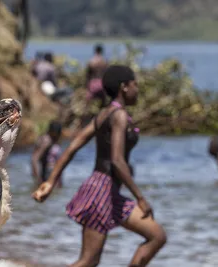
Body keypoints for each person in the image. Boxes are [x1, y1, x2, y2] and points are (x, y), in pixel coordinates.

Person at [33, 65, 166, 267]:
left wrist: (51, 182)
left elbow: (72, 148)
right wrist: (140, 198)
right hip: (101, 192)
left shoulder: (104, 114)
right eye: (135, 85)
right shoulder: (118, 115)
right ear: (124, 87)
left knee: (157, 236)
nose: (137, 90)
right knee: (89, 261)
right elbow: (117, 161)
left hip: (112, 194)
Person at [31, 121, 63, 187]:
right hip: (47, 173)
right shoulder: (47, 141)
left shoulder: (51, 140)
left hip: (51, 173)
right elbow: (35, 159)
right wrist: (38, 178)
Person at [85, 44, 108, 108]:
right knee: (103, 103)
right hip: (102, 83)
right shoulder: (104, 61)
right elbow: (106, 74)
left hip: (93, 83)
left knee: (88, 104)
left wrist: (87, 86)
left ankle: (89, 116)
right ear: (102, 51)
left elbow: (88, 75)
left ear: (95, 51)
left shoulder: (91, 61)